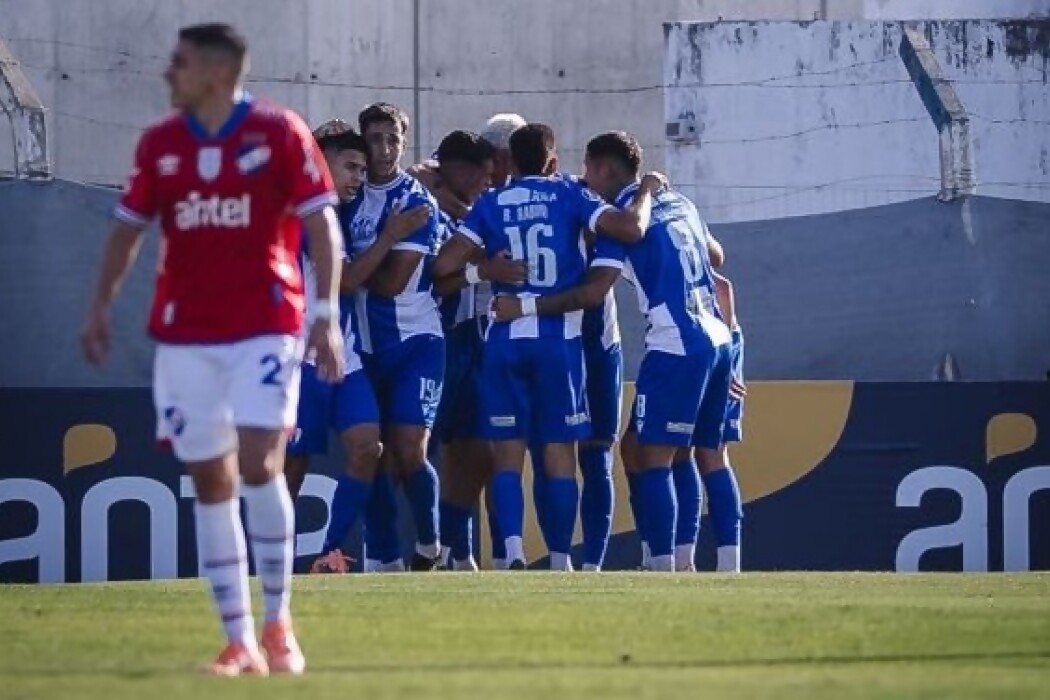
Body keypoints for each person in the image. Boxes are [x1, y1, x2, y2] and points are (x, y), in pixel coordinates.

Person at [79, 23, 344, 675]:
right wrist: (102, 307)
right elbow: (127, 230)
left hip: (266, 323)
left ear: (218, 74)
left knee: (259, 463)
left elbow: (320, 222)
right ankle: (239, 640)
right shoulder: (160, 144)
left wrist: (327, 315)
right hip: (185, 333)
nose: (168, 73)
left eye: (181, 63)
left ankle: (279, 621)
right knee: (210, 478)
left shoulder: (279, 132)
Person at [491, 130, 732, 573]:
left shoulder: (605, 211)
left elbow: (598, 284)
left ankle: (612, 565)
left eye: (586, 168)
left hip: (607, 339)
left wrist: (517, 300)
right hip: (703, 338)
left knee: (611, 451)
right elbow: (716, 259)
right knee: (663, 449)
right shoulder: (671, 202)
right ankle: (679, 559)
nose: (579, 176)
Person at [434, 124, 653, 570]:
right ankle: (559, 557)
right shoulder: (570, 195)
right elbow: (628, 228)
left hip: (504, 343)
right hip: (560, 340)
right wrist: (648, 189)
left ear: (509, 164)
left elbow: (443, 264)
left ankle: (510, 553)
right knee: (560, 453)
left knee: (508, 452)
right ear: (554, 163)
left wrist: (484, 271)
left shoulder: (492, 203)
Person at [298, 122, 431, 574]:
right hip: (299, 358)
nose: (359, 175)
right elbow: (347, 280)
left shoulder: (338, 213)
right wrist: (390, 236)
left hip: (345, 356)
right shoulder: (303, 214)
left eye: (361, 168)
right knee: (288, 472)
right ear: (321, 162)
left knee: (367, 447)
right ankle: (265, 564)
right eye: (350, 166)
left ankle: (328, 552)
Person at [342, 102, 444, 571]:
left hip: (416, 344)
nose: (384, 149)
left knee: (409, 451)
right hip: (362, 347)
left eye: (393, 139)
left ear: (405, 142)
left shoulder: (417, 202)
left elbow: (390, 283)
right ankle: (384, 560)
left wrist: (350, 270)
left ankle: (429, 544)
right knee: (374, 456)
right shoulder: (349, 197)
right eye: (375, 139)